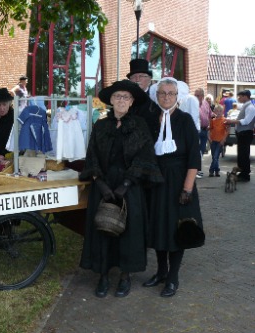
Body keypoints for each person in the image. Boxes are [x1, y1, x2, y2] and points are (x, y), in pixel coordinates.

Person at [79, 80, 163, 298]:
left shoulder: (139, 125)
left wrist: (125, 185)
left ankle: (125, 277)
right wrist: (101, 184)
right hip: (103, 186)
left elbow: (145, 157)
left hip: (129, 187)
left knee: (129, 233)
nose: (121, 101)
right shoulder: (101, 125)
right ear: (111, 101)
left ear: (132, 101)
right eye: (118, 97)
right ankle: (103, 276)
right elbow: (92, 156)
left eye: (126, 97)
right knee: (102, 231)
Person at [144, 77, 204, 298]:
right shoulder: (150, 120)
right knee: (159, 227)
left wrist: (187, 189)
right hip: (157, 182)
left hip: (180, 180)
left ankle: (173, 277)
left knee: (177, 229)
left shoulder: (185, 120)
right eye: (162, 93)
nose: (166, 97)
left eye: (171, 93)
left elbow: (193, 158)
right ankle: (161, 271)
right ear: (156, 95)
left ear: (177, 96)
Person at [127, 59, 161, 142]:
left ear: (149, 79)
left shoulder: (156, 101)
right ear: (130, 81)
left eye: (141, 76)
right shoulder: (124, 101)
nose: (137, 79)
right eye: (134, 77)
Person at [225, 90, 255, 182]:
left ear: (245, 96)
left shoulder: (250, 107)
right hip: (242, 133)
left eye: (240, 96)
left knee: (244, 154)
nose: (238, 98)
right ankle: (242, 172)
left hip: (246, 133)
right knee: (241, 154)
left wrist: (232, 121)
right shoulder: (245, 106)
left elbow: (246, 121)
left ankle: (245, 174)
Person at [195, 88, 213, 178]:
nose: (196, 97)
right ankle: (196, 171)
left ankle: (198, 170)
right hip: (197, 131)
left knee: (202, 150)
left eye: (197, 95)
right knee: (196, 151)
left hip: (205, 130)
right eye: (195, 95)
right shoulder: (193, 104)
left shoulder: (206, 104)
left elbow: (210, 115)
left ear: (202, 96)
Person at [208, 104, 228, 177]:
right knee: (214, 157)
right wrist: (209, 138)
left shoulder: (224, 120)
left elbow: (226, 131)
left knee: (216, 156)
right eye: (217, 111)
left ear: (222, 112)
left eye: (220, 111)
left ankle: (211, 170)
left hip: (220, 141)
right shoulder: (213, 120)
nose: (219, 112)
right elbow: (210, 129)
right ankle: (216, 170)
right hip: (213, 140)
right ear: (214, 112)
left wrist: (223, 139)